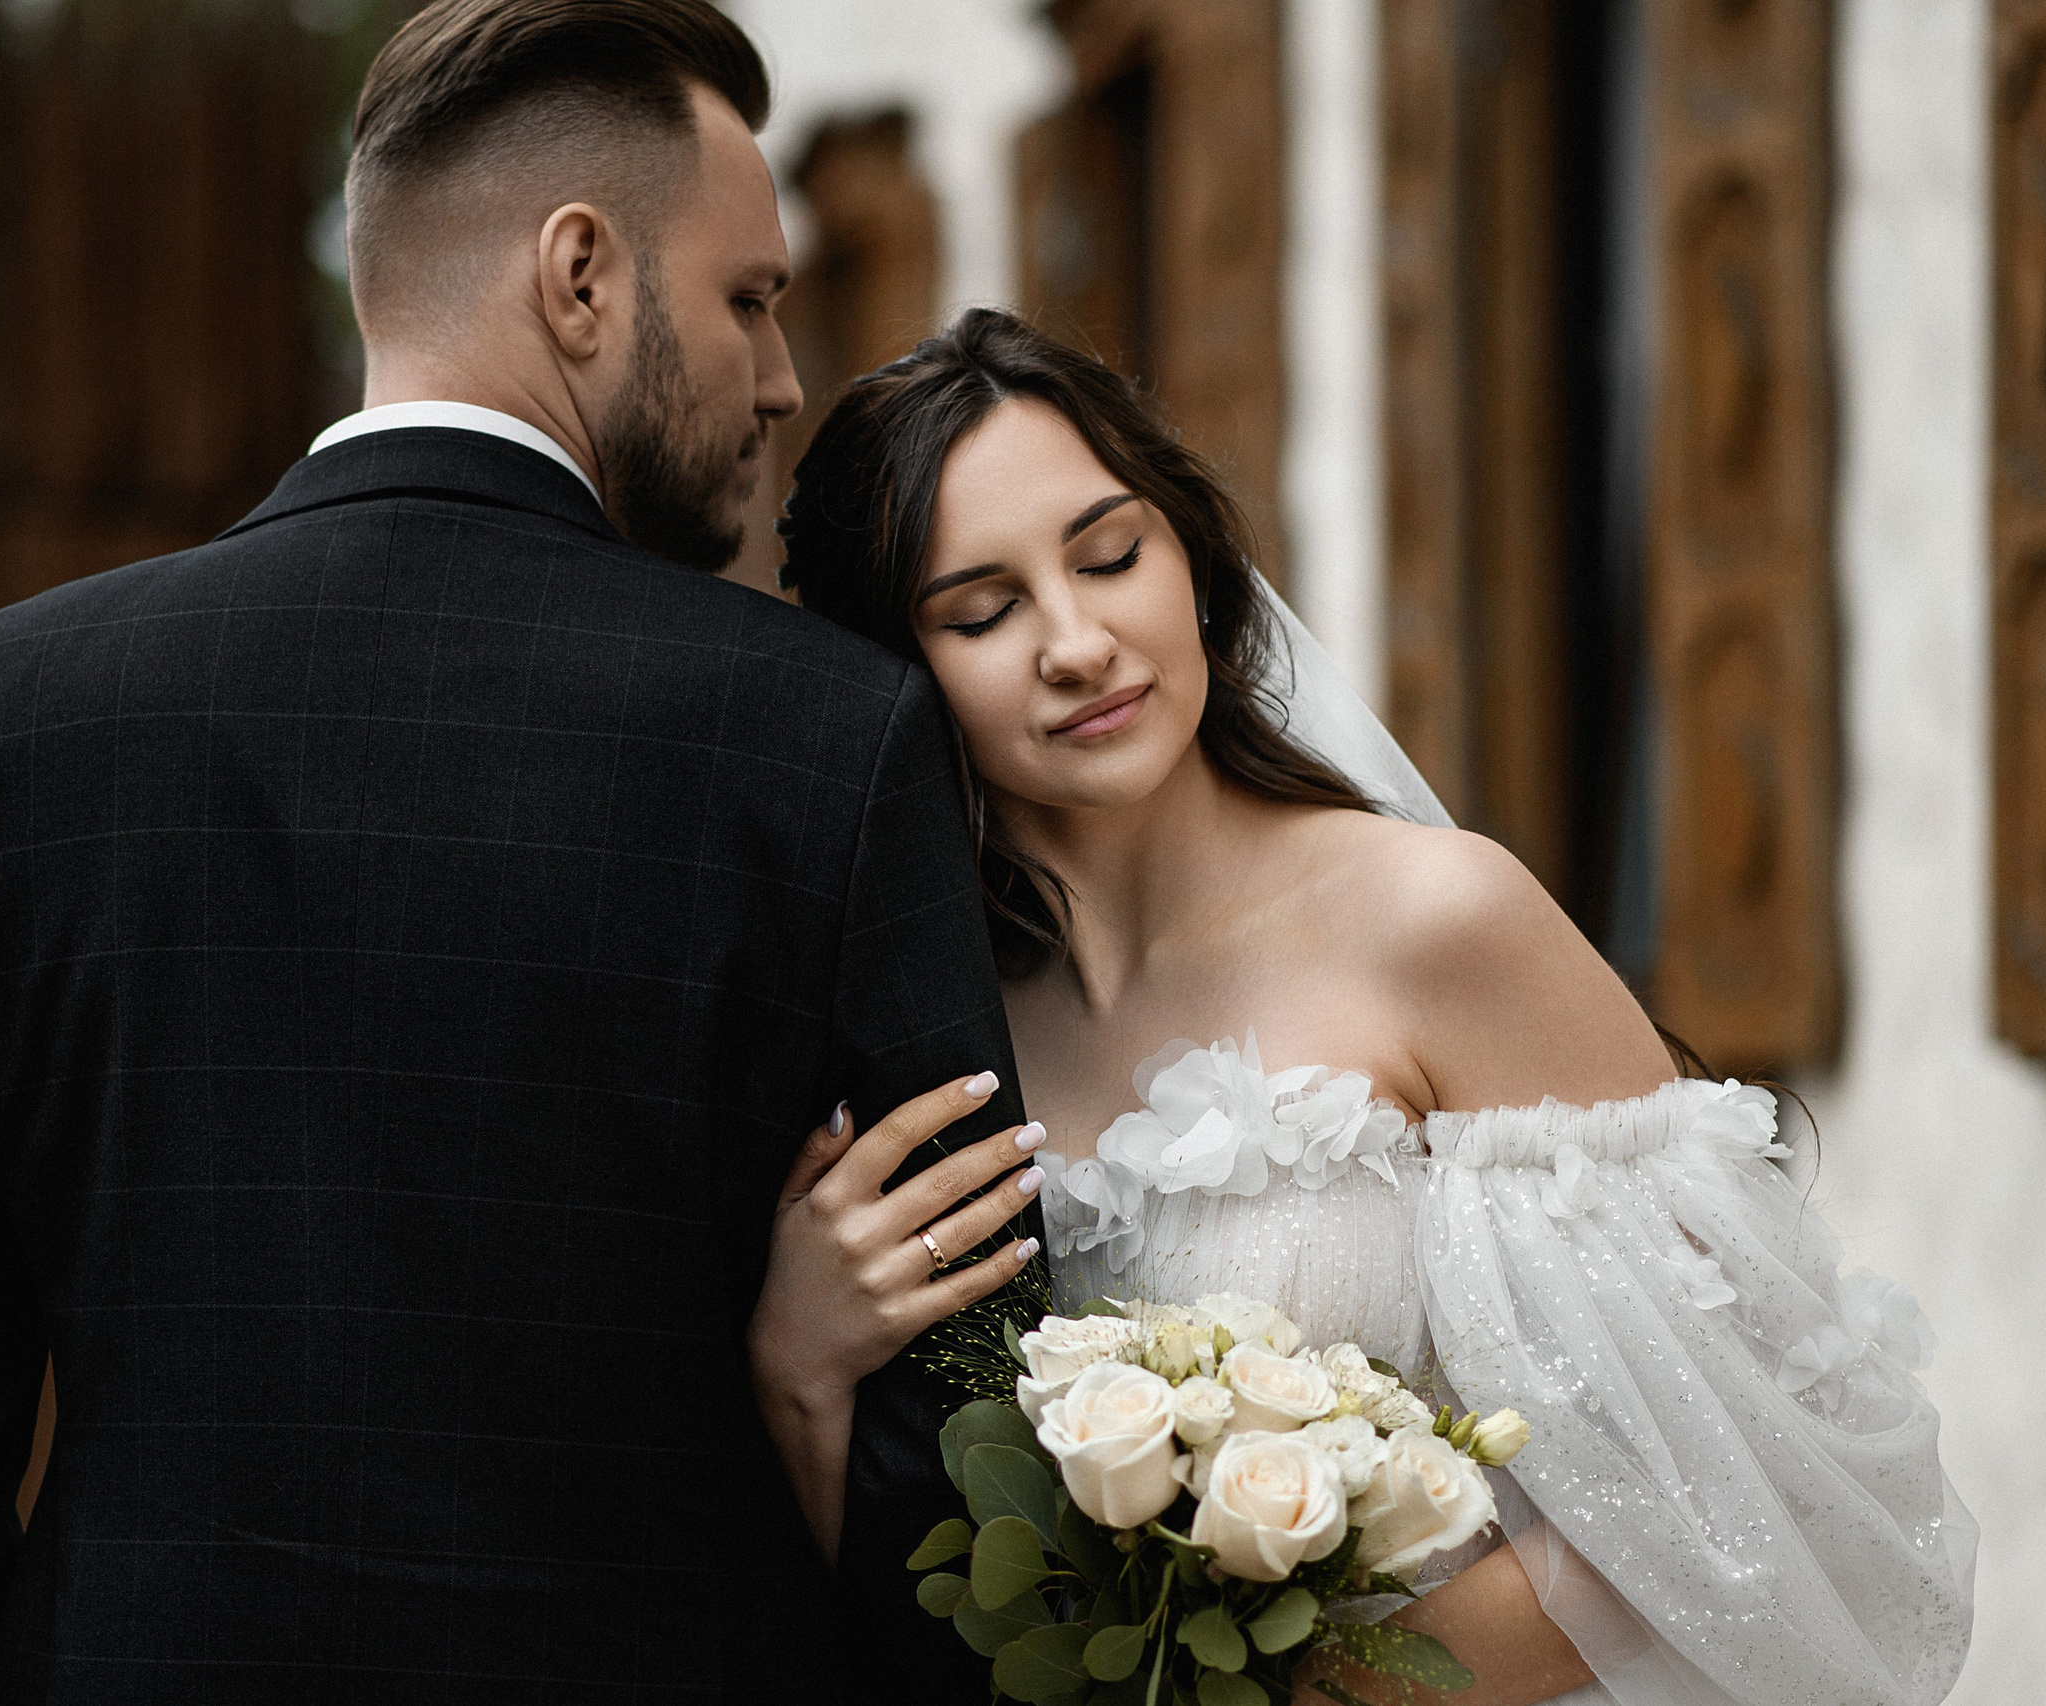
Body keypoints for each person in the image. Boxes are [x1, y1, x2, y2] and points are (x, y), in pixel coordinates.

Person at [0, 5, 1041, 1700]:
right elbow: (965, 1425)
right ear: (581, 275)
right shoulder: (827, 733)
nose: (780, 377)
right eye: (749, 298)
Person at [753, 308, 1976, 1706]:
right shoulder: (937, 1038)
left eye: (1111, 555)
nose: (1078, 642)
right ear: (897, 672)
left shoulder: (1438, 921)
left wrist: (1304, 1687)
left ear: (1191, 558)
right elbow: (911, 1597)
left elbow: (1751, 1468)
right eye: (984, 611)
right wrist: (798, 1362)